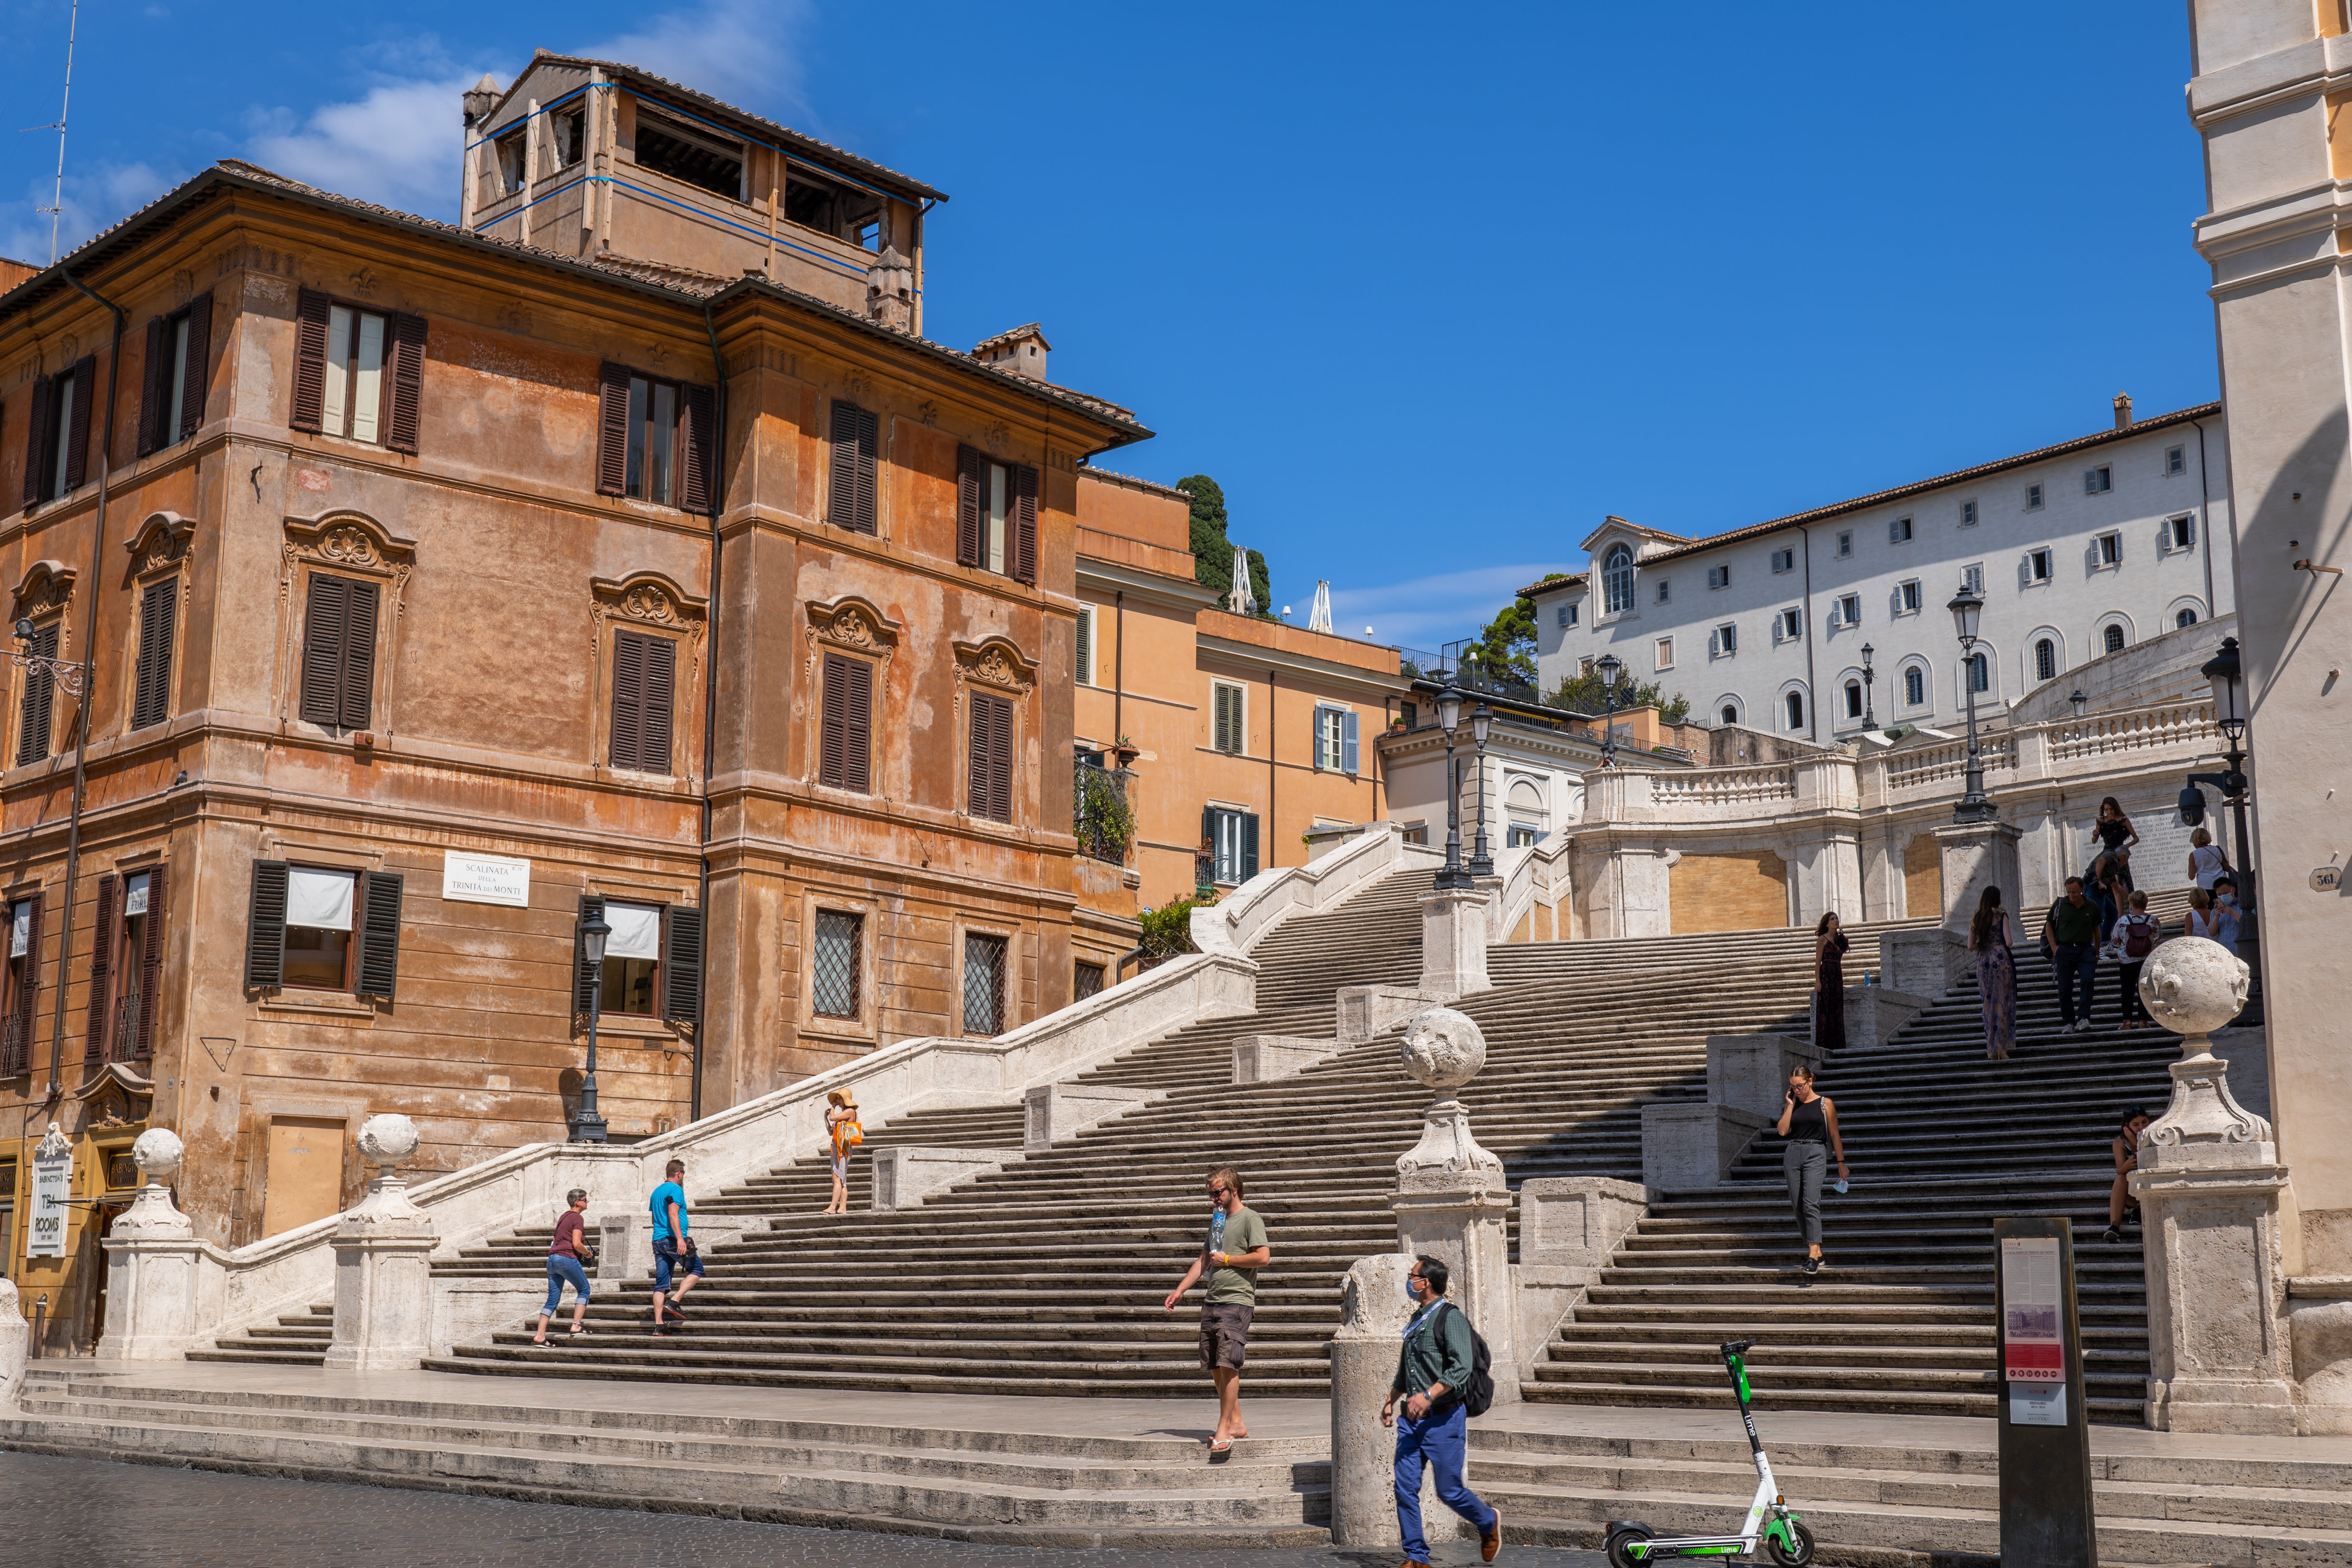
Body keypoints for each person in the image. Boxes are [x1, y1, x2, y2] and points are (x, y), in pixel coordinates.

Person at [1381, 1256, 1503, 1568]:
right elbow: (1407, 1369)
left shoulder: (1451, 1318)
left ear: (1427, 1282)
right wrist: (1391, 1399)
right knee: (1404, 1487)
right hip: (1412, 1421)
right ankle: (1417, 1556)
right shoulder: (1417, 1318)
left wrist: (1428, 1395)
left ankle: (1487, 1521)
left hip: (1444, 1418)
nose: (1410, 1281)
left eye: (1413, 1276)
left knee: (1448, 1491)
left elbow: (1461, 1367)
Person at [1162, 1165, 1270, 1453]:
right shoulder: (1218, 1220)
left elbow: (1263, 1257)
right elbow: (1204, 1260)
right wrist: (1180, 1290)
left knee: (1228, 1363)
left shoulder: (1251, 1218)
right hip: (1213, 1299)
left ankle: (1223, 1429)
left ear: (1234, 1190)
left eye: (1217, 1192)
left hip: (1237, 1300)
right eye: (1210, 1193)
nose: (1213, 1198)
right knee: (1214, 1366)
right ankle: (1235, 1421)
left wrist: (1228, 1260)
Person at [1774, 1064, 1847, 1275]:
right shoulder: (1794, 1104)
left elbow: (1835, 1136)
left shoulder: (1826, 1104)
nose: (1797, 1090)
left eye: (1800, 1086)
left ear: (1810, 1081)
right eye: (1793, 1087)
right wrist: (1789, 1105)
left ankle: (1813, 1255)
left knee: (1810, 1202)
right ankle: (1818, 1253)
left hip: (1816, 1151)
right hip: (1793, 1152)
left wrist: (1841, 1163)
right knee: (1798, 1205)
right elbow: (1782, 1131)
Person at [531, 1187, 594, 1345]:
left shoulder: (563, 1216)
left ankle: (540, 1336)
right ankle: (576, 1325)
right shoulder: (577, 1218)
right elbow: (576, 1244)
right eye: (585, 1200)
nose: (588, 1202)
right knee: (585, 1290)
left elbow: (556, 1238)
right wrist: (588, 1254)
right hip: (566, 1258)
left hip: (552, 1260)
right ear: (578, 1202)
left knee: (552, 1300)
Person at [2042, 877, 2103, 1033]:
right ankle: (2068, 1022)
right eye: (2069, 892)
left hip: (2085, 950)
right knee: (2064, 988)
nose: (2071, 895)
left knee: (2088, 980)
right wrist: (2055, 948)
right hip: (2065, 950)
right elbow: (2049, 925)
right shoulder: (2061, 904)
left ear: (2082, 890)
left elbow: (2097, 930)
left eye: (2075, 892)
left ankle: (2083, 1017)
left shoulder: (2091, 906)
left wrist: (2096, 952)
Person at [649, 1157, 702, 1335]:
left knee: (661, 1285)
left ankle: (659, 1325)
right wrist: (680, 1239)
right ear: (679, 1174)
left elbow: (654, 1219)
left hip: (658, 1240)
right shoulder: (676, 1189)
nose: (683, 1177)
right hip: (671, 1239)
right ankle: (674, 1302)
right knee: (698, 1270)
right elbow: (673, 1214)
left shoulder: (656, 1192)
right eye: (683, 1174)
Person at [1966, 885, 2018, 1060]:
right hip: (2001, 959)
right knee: (2002, 1003)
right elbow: (2009, 942)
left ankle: (1991, 1049)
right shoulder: (2001, 916)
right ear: (1998, 898)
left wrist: (1984, 947)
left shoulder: (1976, 918)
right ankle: (2002, 1049)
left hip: (1984, 962)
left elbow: (1970, 946)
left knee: (1988, 1005)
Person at [2086, 797, 2139, 931]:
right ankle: (2117, 918)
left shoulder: (2124, 820)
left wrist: (2126, 847)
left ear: (2116, 807)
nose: (2109, 812)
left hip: (2120, 855)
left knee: (2119, 884)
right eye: (2106, 810)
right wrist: (2094, 835)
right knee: (2114, 886)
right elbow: (2094, 841)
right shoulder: (2101, 821)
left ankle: (2122, 915)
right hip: (2108, 853)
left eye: (2111, 809)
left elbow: (2136, 838)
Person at [2102, 1108, 2153, 1244]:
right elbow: (2121, 1171)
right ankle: (2114, 1228)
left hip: (2152, 1188)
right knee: (2120, 1178)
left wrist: (2135, 1144)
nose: (2141, 1127)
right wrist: (2124, 1167)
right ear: (2127, 1126)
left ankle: (2138, 1210)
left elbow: (2144, 1166)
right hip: (2132, 1192)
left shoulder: (2156, 1137)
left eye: (2144, 1122)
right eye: (2135, 1125)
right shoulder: (2120, 1142)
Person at [2112, 891, 2159, 1031]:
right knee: (2144, 989)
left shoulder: (2123, 921)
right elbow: (2157, 939)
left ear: (2131, 904)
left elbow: (2115, 941)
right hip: (2146, 960)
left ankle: (2127, 1022)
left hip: (2127, 960)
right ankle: (2143, 1021)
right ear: (2146, 904)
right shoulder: (2153, 920)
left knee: (2127, 991)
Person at [1812, 912, 1850, 1054]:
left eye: (1837, 918)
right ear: (1827, 924)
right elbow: (1818, 962)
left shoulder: (1842, 940)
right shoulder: (1822, 939)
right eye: (1832, 919)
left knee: (1837, 1010)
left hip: (1837, 976)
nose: (1836, 921)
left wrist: (1843, 941)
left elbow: (1843, 953)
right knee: (1825, 1010)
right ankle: (1824, 1045)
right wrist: (1818, 981)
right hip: (1826, 975)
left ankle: (1838, 1045)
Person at [822, 1089, 860, 1216]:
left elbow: (833, 1117)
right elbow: (831, 1133)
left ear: (845, 1099)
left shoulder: (850, 1112)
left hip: (843, 1149)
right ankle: (842, 1208)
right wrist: (825, 1118)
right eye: (836, 1099)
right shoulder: (843, 1115)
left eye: (839, 1098)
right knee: (842, 1181)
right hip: (836, 1148)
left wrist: (832, 1108)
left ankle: (833, 1207)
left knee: (837, 1178)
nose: (837, 1101)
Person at [2185, 826, 2231, 892]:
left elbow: (2191, 877)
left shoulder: (2193, 855)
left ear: (2194, 840)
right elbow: (2227, 868)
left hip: (2205, 887)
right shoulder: (2217, 849)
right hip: (2222, 884)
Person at [2209, 876, 2245, 955]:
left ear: (2233, 890)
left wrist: (2233, 913)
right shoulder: (2215, 911)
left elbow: (2248, 926)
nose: (2223, 896)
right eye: (2220, 895)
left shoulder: (2244, 906)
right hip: (2224, 953)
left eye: (2225, 894)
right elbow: (2212, 933)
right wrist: (2217, 916)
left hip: (2241, 951)